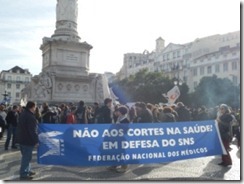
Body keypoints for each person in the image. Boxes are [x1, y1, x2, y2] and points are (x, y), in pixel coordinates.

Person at [16, 101, 38, 180]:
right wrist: (36, 141)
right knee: (26, 157)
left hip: (22, 139)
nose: (35, 108)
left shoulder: (23, 114)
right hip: (27, 140)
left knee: (27, 157)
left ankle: (28, 170)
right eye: (35, 107)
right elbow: (32, 130)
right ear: (32, 107)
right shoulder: (31, 117)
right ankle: (24, 173)